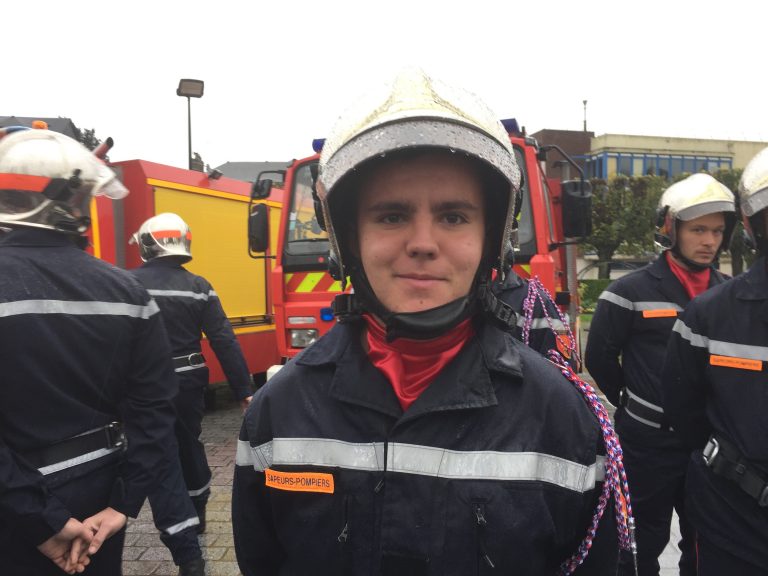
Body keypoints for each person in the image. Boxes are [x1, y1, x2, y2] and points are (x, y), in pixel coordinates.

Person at [232, 68, 619, 575]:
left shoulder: (562, 418)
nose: (422, 242)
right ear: (349, 239)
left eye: (453, 216)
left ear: (490, 239)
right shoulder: (277, 413)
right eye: (391, 216)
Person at [0, 129, 181, 574]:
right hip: (98, 509)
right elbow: (155, 410)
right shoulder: (129, 293)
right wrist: (123, 504)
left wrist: (43, 521)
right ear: (70, 202)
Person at [585, 172, 736, 576]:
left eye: (717, 231)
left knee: (705, 541)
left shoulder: (731, 296)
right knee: (636, 543)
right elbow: (599, 358)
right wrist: (635, 402)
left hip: (706, 447)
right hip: (645, 444)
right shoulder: (628, 292)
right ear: (671, 229)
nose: (709, 241)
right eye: (699, 230)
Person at [662, 148, 768, 575]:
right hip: (732, 519)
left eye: (714, 230)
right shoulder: (708, 315)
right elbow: (684, 411)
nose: (707, 240)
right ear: (752, 224)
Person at [130, 212, 253, 537]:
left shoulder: (126, 283)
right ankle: (196, 510)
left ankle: (163, 518)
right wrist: (244, 389)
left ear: (146, 244)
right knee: (188, 443)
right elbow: (223, 339)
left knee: (152, 446)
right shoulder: (199, 286)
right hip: (188, 381)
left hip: (142, 385)